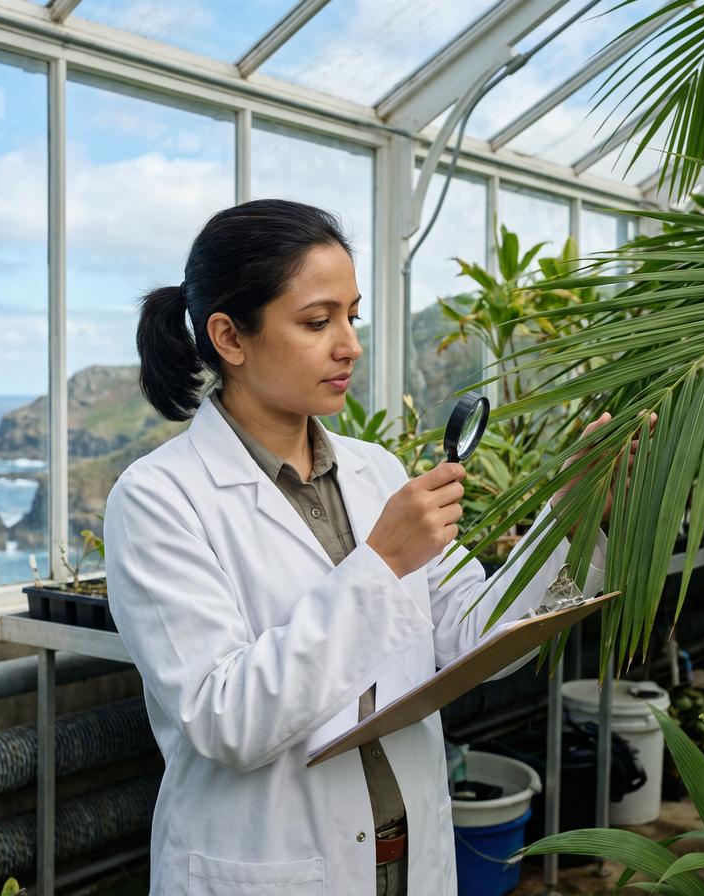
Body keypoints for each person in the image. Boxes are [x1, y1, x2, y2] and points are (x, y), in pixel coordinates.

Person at [104, 199, 609, 896]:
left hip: (407, 860)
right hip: (272, 869)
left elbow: (475, 635)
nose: (349, 345)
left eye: (352, 315)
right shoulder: (159, 499)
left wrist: (571, 514)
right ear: (229, 336)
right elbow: (227, 721)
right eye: (318, 321)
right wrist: (381, 566)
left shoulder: (376, 472)